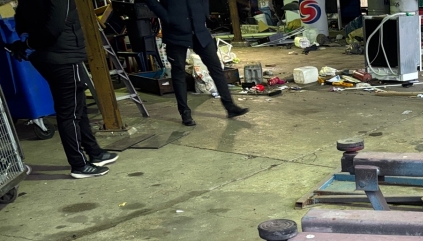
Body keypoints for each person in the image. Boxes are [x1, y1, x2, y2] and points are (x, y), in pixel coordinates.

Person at [9, 0, 118, 179]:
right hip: (63, 56)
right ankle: (79, 164)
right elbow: (55, 27)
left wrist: (28, 43)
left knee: (78, 106)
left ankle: (95, 152)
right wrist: (31, 43)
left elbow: (20, 21)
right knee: (70, 113)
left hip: (48, 56)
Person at [143, 0, 249, 126]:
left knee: (216, 68)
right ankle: (185, 113)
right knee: (179, 73)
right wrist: (167, 16)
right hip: (176, 33)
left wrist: (203, 13)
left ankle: (230, 107)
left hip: (200, 31)